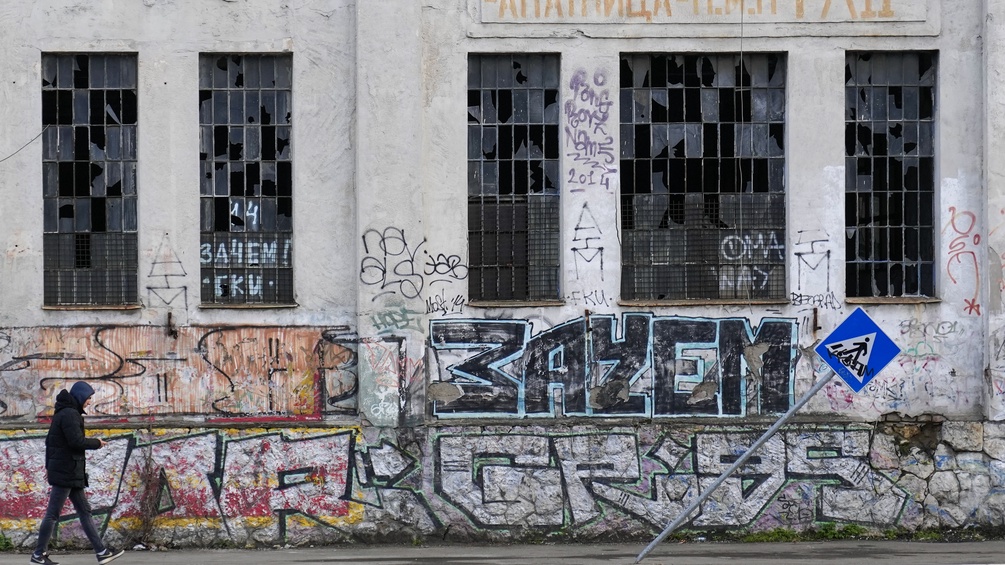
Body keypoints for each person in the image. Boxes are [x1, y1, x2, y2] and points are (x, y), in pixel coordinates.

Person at [31, 381, 125, 565]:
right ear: (81, 397)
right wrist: (96, 443)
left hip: (69, 471)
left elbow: (54, 443)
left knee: (85, 511)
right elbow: (76, 442)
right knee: (53, 514)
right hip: (66, 472)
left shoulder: (66, 413)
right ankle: (38, 555)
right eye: (89, 398)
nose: (89, 402)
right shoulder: (69, 414)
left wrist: (51, 467)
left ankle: (102, 552)